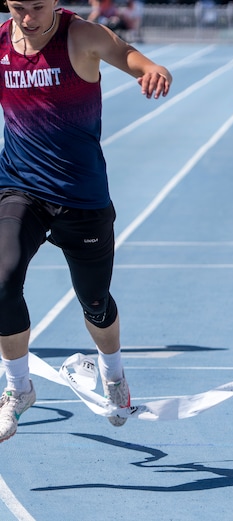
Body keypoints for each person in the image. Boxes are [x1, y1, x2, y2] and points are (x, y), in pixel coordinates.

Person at [0, 0, 172, 443]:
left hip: (82, 198)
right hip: (20, 188)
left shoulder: (81, 36)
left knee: (95, 302)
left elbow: (131, 56)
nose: (28, 17)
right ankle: (18, 389)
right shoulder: (1, 43)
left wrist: (151, 69)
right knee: (1, 281)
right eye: (19, 7)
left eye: (37, 7)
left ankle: (113, 372)